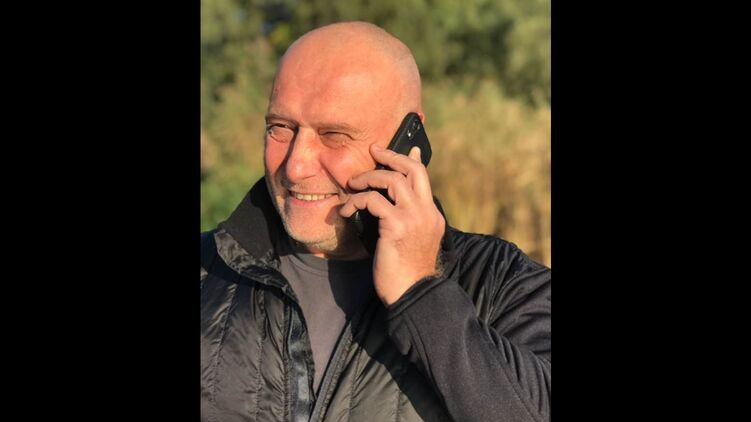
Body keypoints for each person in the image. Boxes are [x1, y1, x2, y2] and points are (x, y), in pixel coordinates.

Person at [201, 21, 550, 422]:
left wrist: (421, 293)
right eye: (281, 128)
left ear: (408, 138)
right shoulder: (208, 270)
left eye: (334, 135)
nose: (295, 166)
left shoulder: (504, 283)